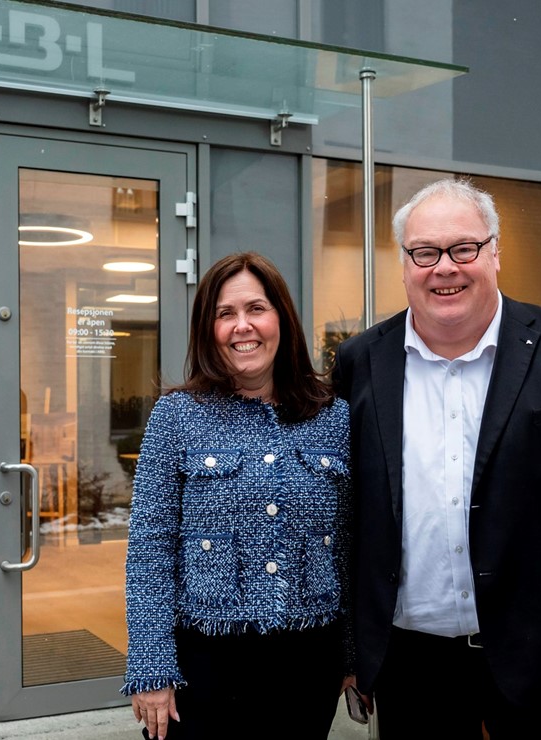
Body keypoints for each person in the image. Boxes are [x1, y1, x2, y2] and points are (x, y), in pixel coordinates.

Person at [333, 178, 541, 738]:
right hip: (413, 662)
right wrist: (349, 649)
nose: (445, 268)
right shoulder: (360, 362)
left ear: (495, 252)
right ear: (404, 263)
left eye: (464, 248)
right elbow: (344, 514)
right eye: (425, 252)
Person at [122, 252, 354, 740]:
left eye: (256, 309)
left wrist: (352, 657)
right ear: (207, 329)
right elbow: (149, 550)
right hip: (202, 666)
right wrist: (151, 667)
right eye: (225, 314)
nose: (241, 326)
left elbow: (352, 545)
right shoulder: (176, 415)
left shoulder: (333, 417)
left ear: (282, 320)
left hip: (309, 661)